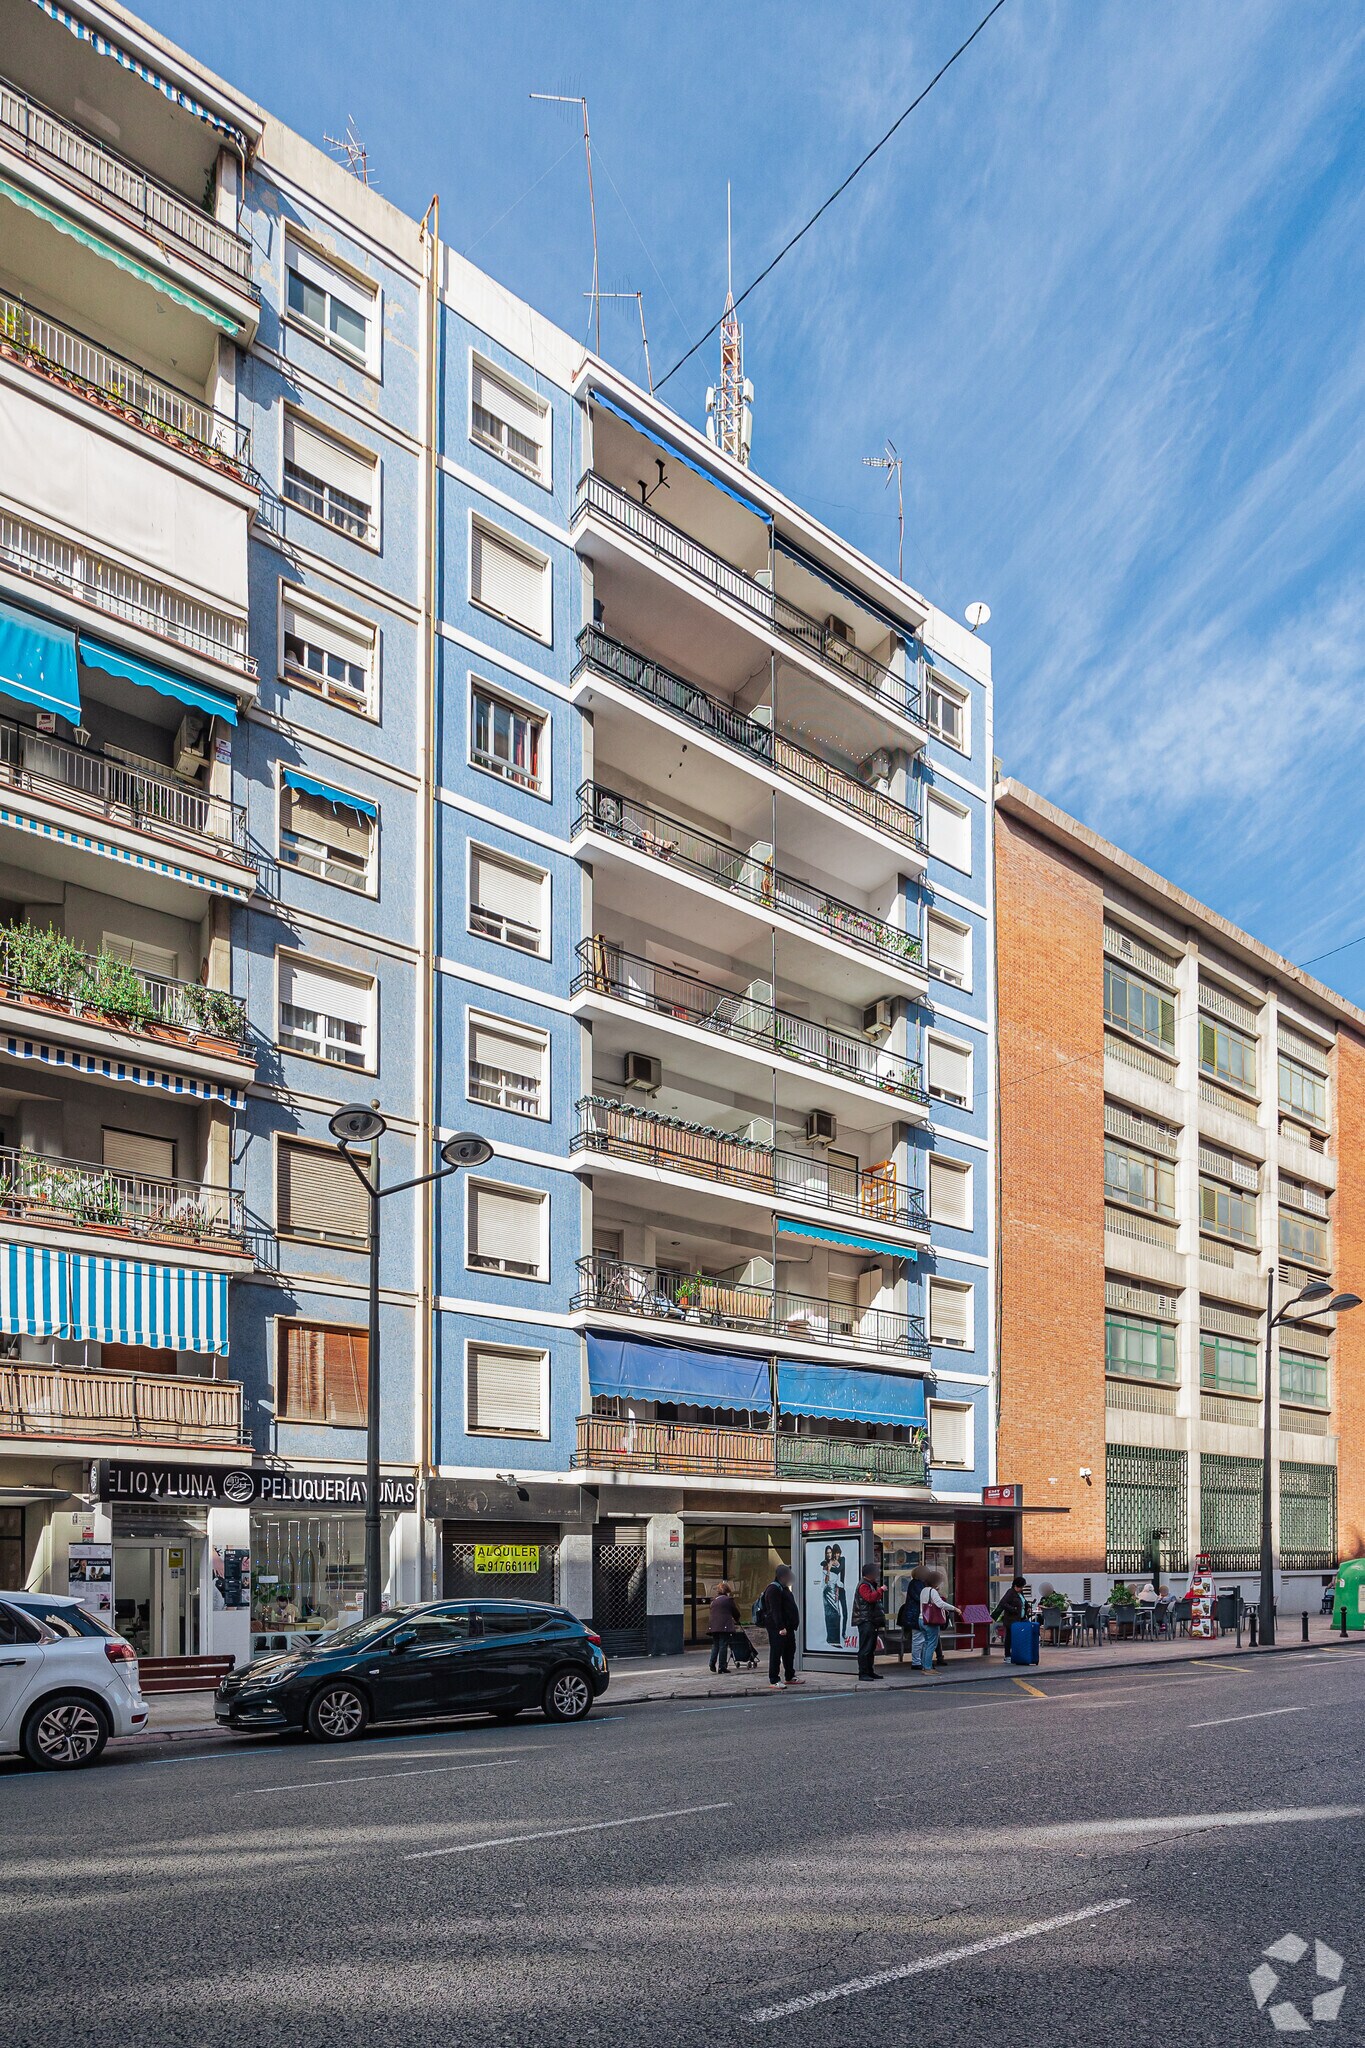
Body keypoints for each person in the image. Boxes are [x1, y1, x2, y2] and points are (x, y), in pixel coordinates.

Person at [757, 1564, 804, 1689]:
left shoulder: (784, 1588)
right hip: (777, 1628)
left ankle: (789, 1675)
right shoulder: (773, 1589)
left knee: (789, 1651)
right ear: (782, 1576)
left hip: (788, 1627)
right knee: (776, 1653)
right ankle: (774, 1679)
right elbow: (775, 1610)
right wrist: (780, 1627)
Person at [913, 1569, 958, 1672]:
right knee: (931, 1644)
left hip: (922, 1619)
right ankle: (928, 1668)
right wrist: (954, 1608)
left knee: (925, 1643)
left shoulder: (924, 1590)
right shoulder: (932, 1591)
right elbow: (940, 1604)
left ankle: (924, 1666)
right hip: (931, 1621)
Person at [853, 1569, 887, 1681]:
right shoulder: (863, 1585)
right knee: (865, 1648)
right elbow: (870, 1598)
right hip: (865, 1620)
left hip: (871, 1620)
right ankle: (863, 1673)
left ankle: (870, 1671)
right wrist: (881, 1590)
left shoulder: (869, 1584)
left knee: (871, 1648)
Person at [708, 1579, 741, 1674]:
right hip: (724, 1626)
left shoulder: (714, 1600)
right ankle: (722, 1666)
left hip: (714, 1626)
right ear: (727, 1591)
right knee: (723, 1645)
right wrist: (737, 1619)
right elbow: (735, 1611)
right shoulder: (728, 1600)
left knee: (716, 1645)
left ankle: (712, 1663)